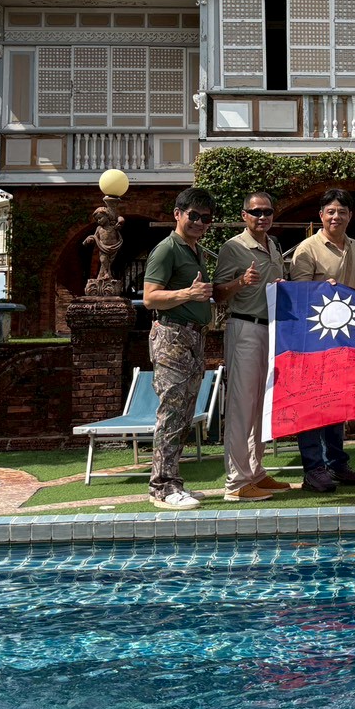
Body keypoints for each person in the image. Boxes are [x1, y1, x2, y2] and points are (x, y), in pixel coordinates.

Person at [287, 188, 355, 493]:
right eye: (330, 211)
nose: (336, 216)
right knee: (312, 404)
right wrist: (322, 289)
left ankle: (337, 465)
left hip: (345, 342)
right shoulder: (307, 249)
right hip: (312, 342)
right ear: (321, 215)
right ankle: (314, 468)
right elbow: (297, 296)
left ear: (350, 215)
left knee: (337, 406)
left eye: (342, 211)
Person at [140, 187, 216, 509]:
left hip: (193, 339)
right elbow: (149, 298)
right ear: (178, 214)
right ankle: (161, 487)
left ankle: (173, 481)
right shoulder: (167, 249)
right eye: (194, 216)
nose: (200, 222)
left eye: (206, 218)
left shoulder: (194, 250)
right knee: (171, 412)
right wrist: (188, 294)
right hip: (172, 337)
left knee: (184, 414)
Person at [213, 190, 287, 503]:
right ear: (244, 215)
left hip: (270, 331)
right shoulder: (233, 247)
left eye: (267, 211)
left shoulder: (274, 245)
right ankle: (236, 483)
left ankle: (256, 472)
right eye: (255, 212)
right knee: (242, 406)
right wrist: (240, 282)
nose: (262, 217)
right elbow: (217, 293)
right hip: (244, 327)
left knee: (261, 405)